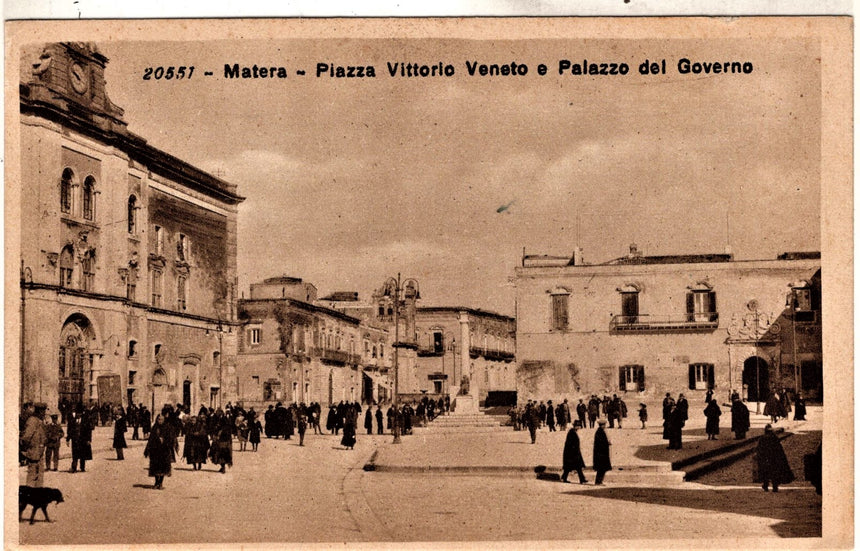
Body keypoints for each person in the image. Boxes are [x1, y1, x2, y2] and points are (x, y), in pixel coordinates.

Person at [755, 424, 794, 492]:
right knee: (774, 473)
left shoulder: (762, 438)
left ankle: (765, 485)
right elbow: (779, 449)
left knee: (765, 472)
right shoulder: (774, 438)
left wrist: (759, 457)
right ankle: (775, 486)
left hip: (765, 459)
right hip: (774, 459)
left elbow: (759, 449)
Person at [144, 414, 178, 489]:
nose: (160, 421)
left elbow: (171, 439)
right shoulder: (154, 428)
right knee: (155, 467)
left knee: (163, 467)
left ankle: (160, 483)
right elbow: (150, 439)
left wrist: (164, 440)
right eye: (158, 419)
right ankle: (156, 482)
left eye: (161, 419)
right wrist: (148, 449)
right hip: (155, 450)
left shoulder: (167, 428)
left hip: (164, 451)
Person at [21, 403, 48, 487]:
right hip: (33, 453)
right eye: (43, 411)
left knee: (39, 477)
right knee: (32, 477)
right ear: (39, 411)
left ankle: (37, 496)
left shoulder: (39, 421)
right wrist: (27, 450)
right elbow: (26, 437)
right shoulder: (32, 421)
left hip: (39, 453)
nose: (44, 413)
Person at [67, 406, 93, 473]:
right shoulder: (72, 421)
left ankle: (82, 467)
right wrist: (68, 439)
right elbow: (70, 430)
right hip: (75, 440)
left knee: (82, 454)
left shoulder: (85, 421)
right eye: (77, 413)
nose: (78, 415)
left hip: (83, 440)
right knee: (74, 454)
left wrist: (89, 440)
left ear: (81, 414)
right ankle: (74, 467)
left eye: (79, 414)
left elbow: (88, 431)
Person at [592, 419, 612, 485]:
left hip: (602, 453)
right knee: (601, 468)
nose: (605, 426)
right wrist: (607, 443)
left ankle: (599, 481)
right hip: (601, 454)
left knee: (602, 468)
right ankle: (598, 481)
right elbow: (601, 443)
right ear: (602, 425)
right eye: (604, 425)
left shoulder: (600, 431)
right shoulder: (600, 432)